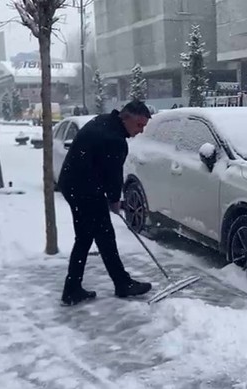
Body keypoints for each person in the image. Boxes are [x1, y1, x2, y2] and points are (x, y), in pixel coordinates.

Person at [58, 100, 153, 306]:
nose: (140, 131)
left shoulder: (105, 121)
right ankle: (120, 284)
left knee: (90, 237)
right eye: (139, 125)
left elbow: (102, 166)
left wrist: (109, 198)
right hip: (84, 190)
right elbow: (113, 175)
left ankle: (75, 288)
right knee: (100, 236)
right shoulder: (115, 139)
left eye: (143, 126)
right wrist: (113, 200)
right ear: (125, 117)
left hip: (73, 184)